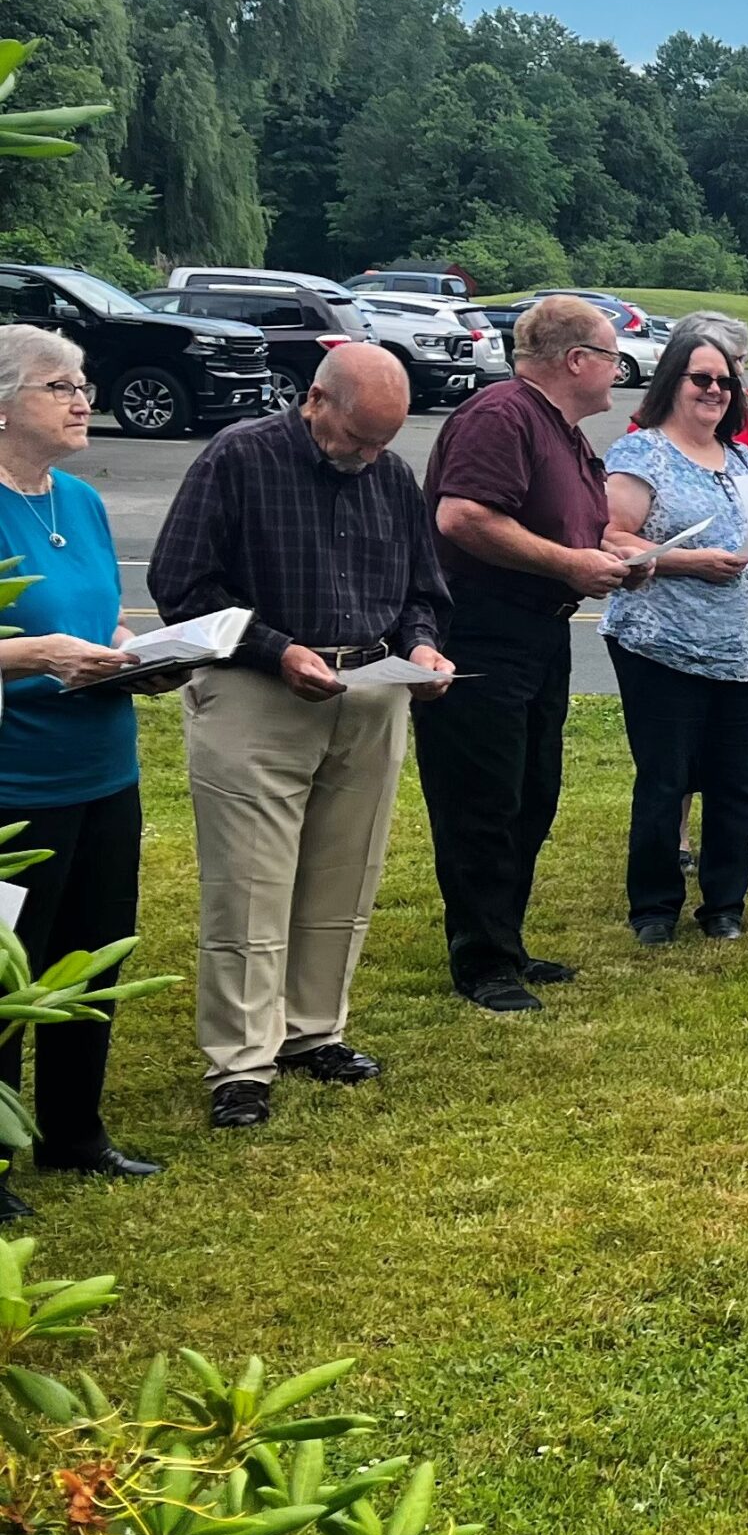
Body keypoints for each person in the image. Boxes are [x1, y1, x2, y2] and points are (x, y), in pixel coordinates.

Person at [147, 344, 453, 1130]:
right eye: (358, 437)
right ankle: (241, 1063)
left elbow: (423, 588)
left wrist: (420, 645)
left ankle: (313, 1029)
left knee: (342, 875)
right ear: (315, 400)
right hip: (259, 693)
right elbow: (182, 585)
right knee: (250, 885)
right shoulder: (240, 457)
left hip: (369, 688)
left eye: (385, 441)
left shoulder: (389, 475)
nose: (369, 456)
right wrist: (276, 648)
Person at [413, 296, 642, 1012]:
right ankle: (481, 963)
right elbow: (464, 516)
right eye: (610, 357)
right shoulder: (502, 415)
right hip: (480, 629)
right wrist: (570, 566)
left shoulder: (563, 432)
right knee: (482, 798)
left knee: (531, 794)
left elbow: (577, 528)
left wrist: (630, 556)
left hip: (539, 631)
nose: (618, 372)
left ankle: (505, 942)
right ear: (576, 361)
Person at [0, 328, 169, 1210]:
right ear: (1, 407)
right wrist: (36, 654)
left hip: (104, 769)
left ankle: (74, 1131)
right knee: (5, 973)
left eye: (84, 383)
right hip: (14, 783)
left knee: (89, 959)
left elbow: (99, 620)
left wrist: (128, 650)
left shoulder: (80, 500)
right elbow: (30, 643)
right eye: (57, 385)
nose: (82, 400)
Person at [600, 328, 748, 944]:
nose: (715, 390)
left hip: (747, 651)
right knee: (665, 780)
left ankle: (724, 906)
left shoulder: (741, 459)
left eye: (724, 381)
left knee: (738, 782)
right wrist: (689, 562)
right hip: (665, 646)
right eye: (701, 379)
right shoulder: (641, 454)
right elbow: (610, 537)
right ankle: (655, 908)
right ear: (672, 384)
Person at [654, 310, 748, 873]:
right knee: (685, 735)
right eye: (710, 373)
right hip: (688, 609)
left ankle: (735, 834)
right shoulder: (655, 429)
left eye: (734, 371)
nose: (725, 384)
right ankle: (679, 837)